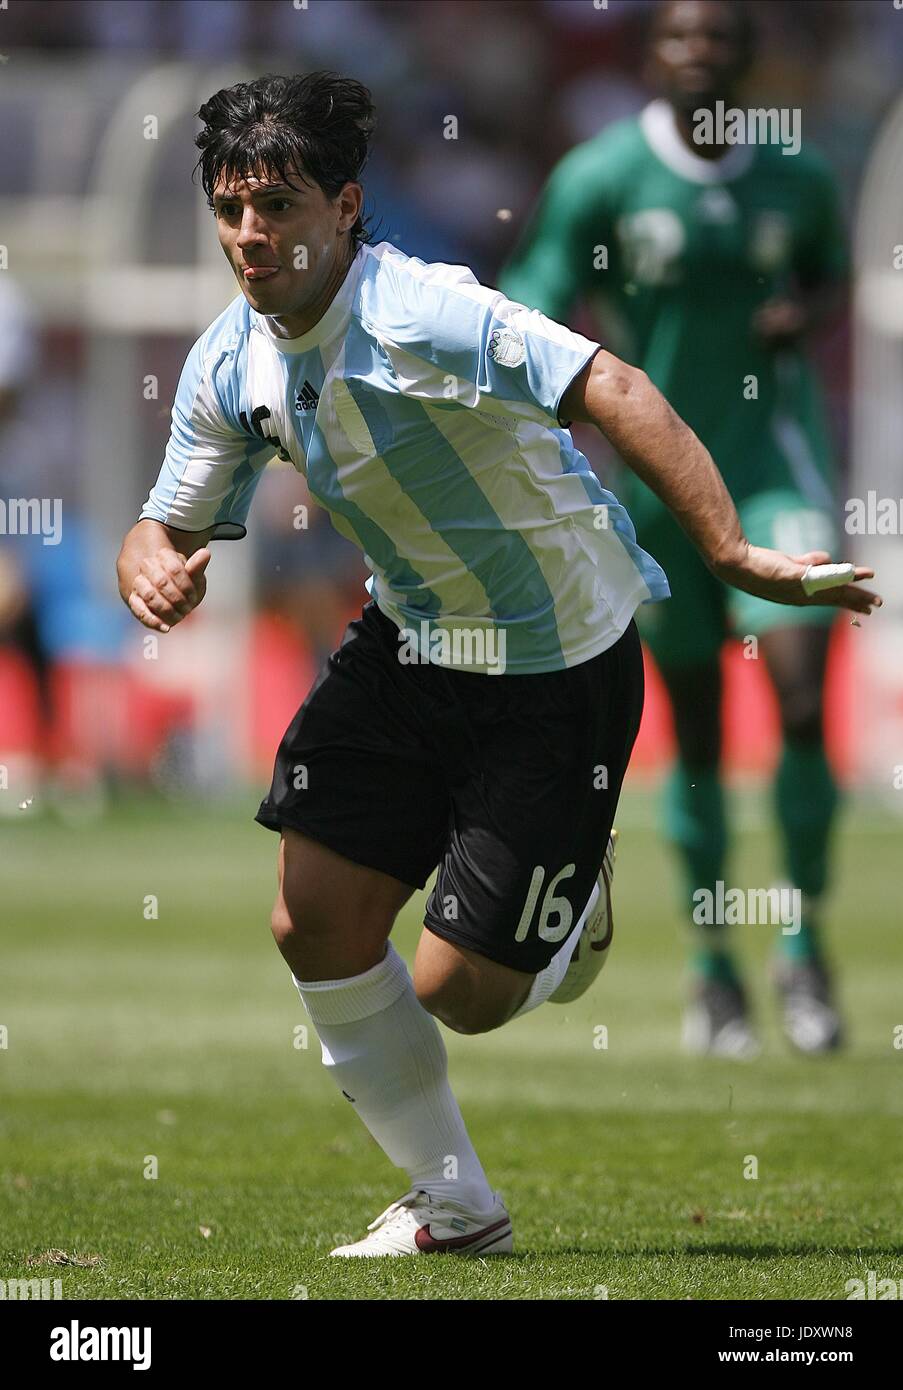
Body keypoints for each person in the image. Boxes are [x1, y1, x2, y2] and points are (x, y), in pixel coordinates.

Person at [116, 72, 879, 1257]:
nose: (251, 234)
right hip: (413, 640)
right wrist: (149, 561)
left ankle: (570, 921)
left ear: (347, 206)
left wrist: (729, 551)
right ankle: (456, 1204)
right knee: (310, 915)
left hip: (558, 659)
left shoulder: (425, 308)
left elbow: (610, 383)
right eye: (231, 207)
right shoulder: (231, 362)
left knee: (457, 998)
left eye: (278, 205)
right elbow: (163, 521)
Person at [499, 0, 853, 1058]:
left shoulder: (799, 176)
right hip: (657, 493)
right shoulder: (604, 176)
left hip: (775, 470)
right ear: (651, 55)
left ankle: (802, 944)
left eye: (719, 37)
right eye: (679, 36)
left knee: (797, 699)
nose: (699, 52)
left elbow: (831, 273)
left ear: (747, 58)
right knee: (693, 732)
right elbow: (536, 296)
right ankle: (714, 972)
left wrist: (807, 313)